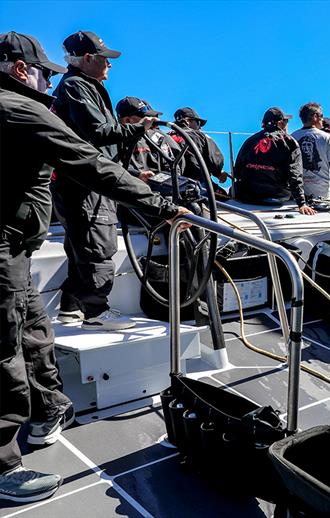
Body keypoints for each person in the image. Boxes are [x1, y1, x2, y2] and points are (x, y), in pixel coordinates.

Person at [0, 31, 188, 502]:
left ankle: (48, 409)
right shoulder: (20, 108)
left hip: (15, 245)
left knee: (31, 326)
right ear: (22, 70)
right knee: (2, 346)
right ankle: (2, 468)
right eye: (42, 71)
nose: (48, 80)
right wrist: (159, 205)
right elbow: (87, 160)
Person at [51, 31, 153, 331]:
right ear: (87, 59)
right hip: (84, 184)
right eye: (105, 60)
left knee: (80, 245)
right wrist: (138, 130)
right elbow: (97, 132)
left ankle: (70, 308)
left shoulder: (77, 87)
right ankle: (96, 312)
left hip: (76, 182)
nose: (109, 66)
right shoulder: (76, 87)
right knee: (97, 246)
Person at [233, 107, 315, 215]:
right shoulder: (290, 142)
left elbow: (237, 172)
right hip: (276, 197)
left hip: (247, 196)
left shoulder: (250, 141)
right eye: (286, 121)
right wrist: (302, 203)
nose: (287, 124)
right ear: (281, 123)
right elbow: (295, 174)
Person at [116, 96, 182, 182]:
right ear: (127, 120)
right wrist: (137, 175)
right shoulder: (114, 140)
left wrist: (162, 184)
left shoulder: (157, 138)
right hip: (129, 191)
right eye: (145, 117)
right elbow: (111, 167)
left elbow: (172, 167)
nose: (152, 120)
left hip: (161, 192)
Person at [290, 102, 330, 202]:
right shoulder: (327, 138)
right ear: (315, 116)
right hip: (322, 195)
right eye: (321, 116)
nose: (322, 120)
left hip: (297, 196)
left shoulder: (292, 138)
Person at [171, 107, 228, 188]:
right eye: (198, 123)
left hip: (172, 185)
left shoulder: (166, 137)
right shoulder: (200, 136)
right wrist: (218, 173)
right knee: (226, 198)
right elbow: (215, 162)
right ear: (188, 121)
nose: (200, 127)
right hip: (196, 184)